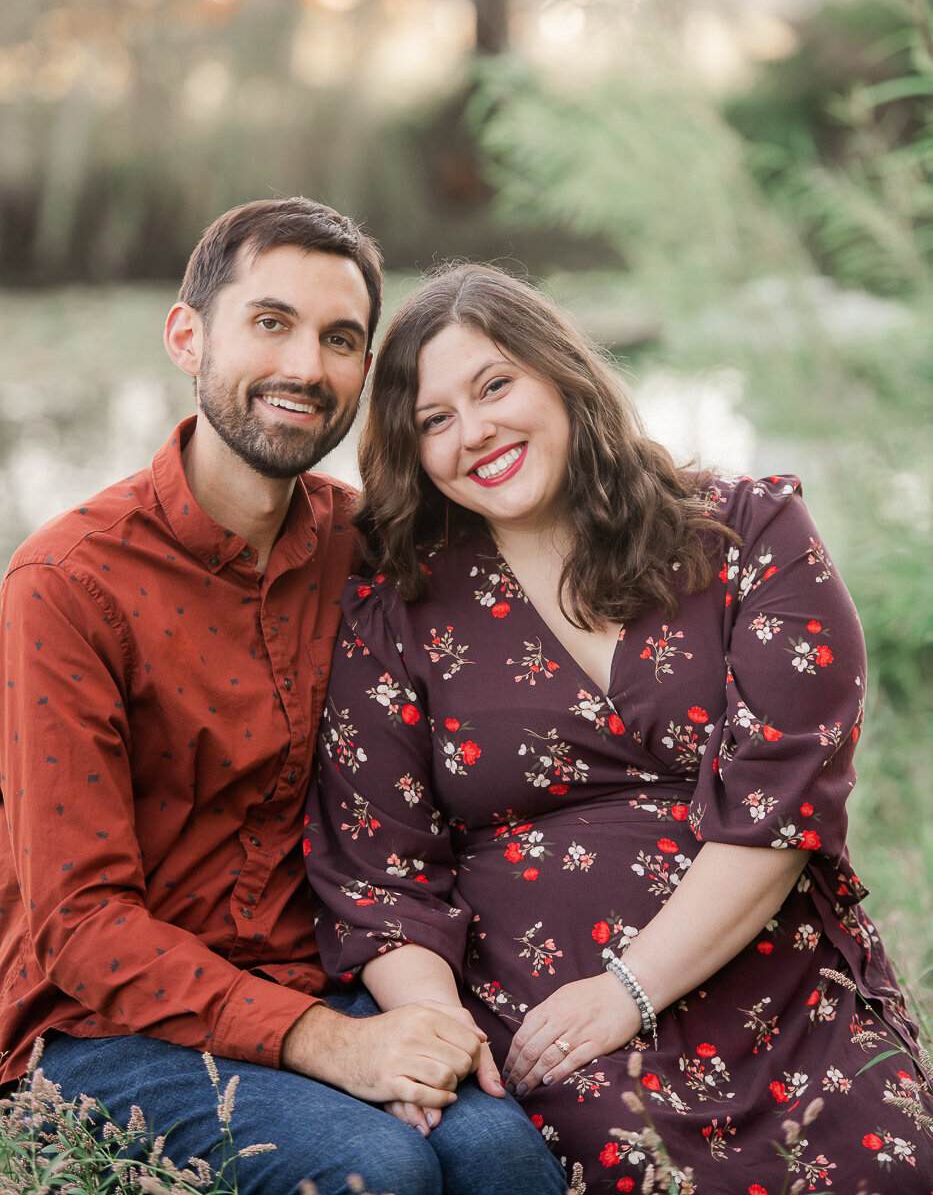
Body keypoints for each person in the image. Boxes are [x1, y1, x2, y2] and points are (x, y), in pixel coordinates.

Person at [305, 263, 933, 1194]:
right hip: (547, 1024)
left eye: (494, 386)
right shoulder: (394, 611)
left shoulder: (748, 533)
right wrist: (437, 1039)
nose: (474, 433)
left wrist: (627, 990)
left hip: (781, 993)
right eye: (433, 421)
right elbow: (382, 876)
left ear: (560, 375)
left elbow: (781, 801)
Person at [0, 207, 568, 1195]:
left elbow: (545, 569)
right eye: (271, 322)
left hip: (324, 983)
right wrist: (331, 1049)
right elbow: (83, 924)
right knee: (376, 1170)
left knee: (506, 1156)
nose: (307, 363)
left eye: (341, 338)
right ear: (188, 336)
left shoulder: (368, 548)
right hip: (99, 1026)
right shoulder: (66, 581)